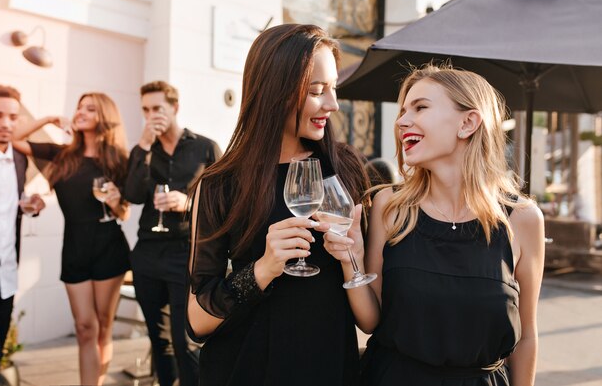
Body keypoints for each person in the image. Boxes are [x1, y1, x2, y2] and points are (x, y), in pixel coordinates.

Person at [323, 65, 545, 386]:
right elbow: (371, 320)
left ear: (467, 123)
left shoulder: (523, 219)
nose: (401, 121)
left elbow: (527, 337)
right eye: (402, 111)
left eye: (420, 107)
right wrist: (350, 259)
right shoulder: (391, 205)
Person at [186, 23, 370, 386]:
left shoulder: (345, 168)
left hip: (327, 364)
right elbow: (196, 321)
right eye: (317, 91)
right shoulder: (219, 184)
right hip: (245, 367)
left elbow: (368, 314)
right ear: (275, 92)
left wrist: (350, 257)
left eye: (333, 89)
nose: (332, 104)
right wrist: (264, 268)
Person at [12, 92, 130, 386]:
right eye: (79, 107)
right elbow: (13, 138)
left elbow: (124, 213)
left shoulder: (118, 160)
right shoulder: (60, 154)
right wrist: (50, 119)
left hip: (108, 246)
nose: (80, 112)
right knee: (83, 327)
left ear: (104, 116)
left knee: (103, 326)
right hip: (74, 246)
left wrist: (115, 202)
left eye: (90, 108)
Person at [124, 80, 221, 386]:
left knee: (184, 340)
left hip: (186, 251)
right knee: (159, 340)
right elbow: (133, 194)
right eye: (146, 110)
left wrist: (188, 202)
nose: (151, 115)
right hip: (148, 253)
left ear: (174, 108)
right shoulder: (143, 150)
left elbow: (224, 199)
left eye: (157, 108)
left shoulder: (205, 147)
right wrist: (142, 144)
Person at [0, 85, 45, 386]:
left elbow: (12, 203)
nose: (6, 123)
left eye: (12, 117)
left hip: (6, 274)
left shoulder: (20, 159)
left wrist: (31, 206)